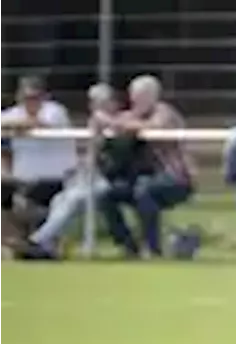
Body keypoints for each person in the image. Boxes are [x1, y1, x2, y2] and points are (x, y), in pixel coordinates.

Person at [25, 83, 150, 260]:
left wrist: (105, 124)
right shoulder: (96, 125)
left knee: (75, 199)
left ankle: (37, 241)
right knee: (60, 199)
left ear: (114, 103)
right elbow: (90, 159)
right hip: (93, 177)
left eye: (101, 102)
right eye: (93, 102)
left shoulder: (125, 119)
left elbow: (129, 135)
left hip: (116, 180)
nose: (95, 106)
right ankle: (48, 245)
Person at [99, 75, 194, 259]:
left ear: (153, 96)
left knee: (145, 191)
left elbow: (155, 126)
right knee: (107, 195)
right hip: (143, 179)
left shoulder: (164, 112)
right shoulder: (131, 116)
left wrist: (115, 123)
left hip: (176, 177)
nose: (135, 101)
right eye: (133, 96)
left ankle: (153, 248)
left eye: (139, 97)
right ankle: (128, 245)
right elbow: (111, 125)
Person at [0, 76, 77, 242]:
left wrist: (16, 126)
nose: (30, 101)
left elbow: (43, 124)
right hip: (21, 179)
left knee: (23, 203)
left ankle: (38, 240)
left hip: (55, 179)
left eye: (35, 97)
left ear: (44, 97)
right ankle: (14, 240)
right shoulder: (14, 113)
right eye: (26, 97)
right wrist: (17, 125)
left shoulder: (55, 111)